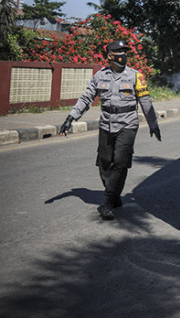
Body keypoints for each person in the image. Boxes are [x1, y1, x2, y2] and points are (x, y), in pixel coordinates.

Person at [60, 40, 161, 220]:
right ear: (110, 56)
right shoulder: (100, 76)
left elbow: (145, 101)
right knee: (105, 162)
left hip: (127, 124)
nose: (123, 54)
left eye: (125, 51)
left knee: (120, 162)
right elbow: (86, 98)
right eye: (119, 51)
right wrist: (71, 118)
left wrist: (153, 124)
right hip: (106, 123)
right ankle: (115, 195)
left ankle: (108, 201)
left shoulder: (135, 76)